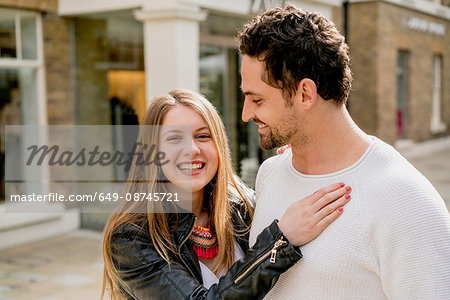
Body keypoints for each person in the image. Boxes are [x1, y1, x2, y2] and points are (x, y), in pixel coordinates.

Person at [238, 4, 450, 299]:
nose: (246, 114)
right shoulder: (270, 173)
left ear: (305, 94)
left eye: (257, 100)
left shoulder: (406, 202)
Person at [101, 88, 352, 299]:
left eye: (202, 136)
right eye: (174, 138)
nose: (191, 150)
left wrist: (292, 170)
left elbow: (298, 221)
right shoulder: (131, 237)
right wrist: (279, 242)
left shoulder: (241, 205)